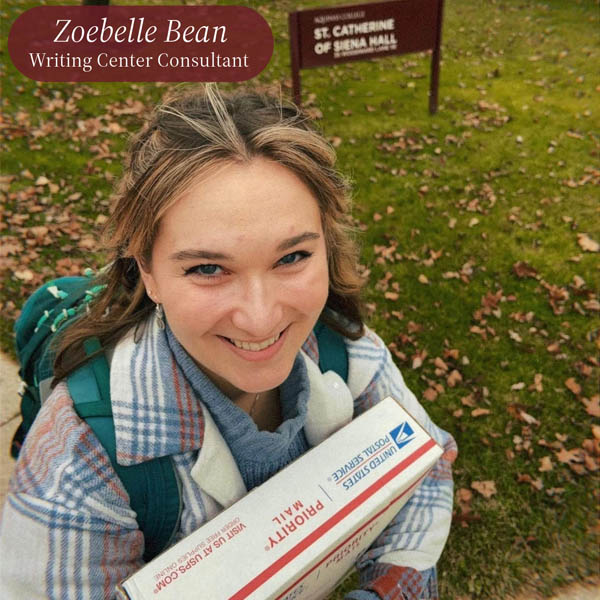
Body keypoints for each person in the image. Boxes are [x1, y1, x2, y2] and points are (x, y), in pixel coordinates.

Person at [0, 85, 457, 599]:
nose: (261, 320)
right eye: (208, 268)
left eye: (292, 258)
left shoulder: (345, 349)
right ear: (146, 269)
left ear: (325, 243)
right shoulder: (81, 462)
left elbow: (426, 462)